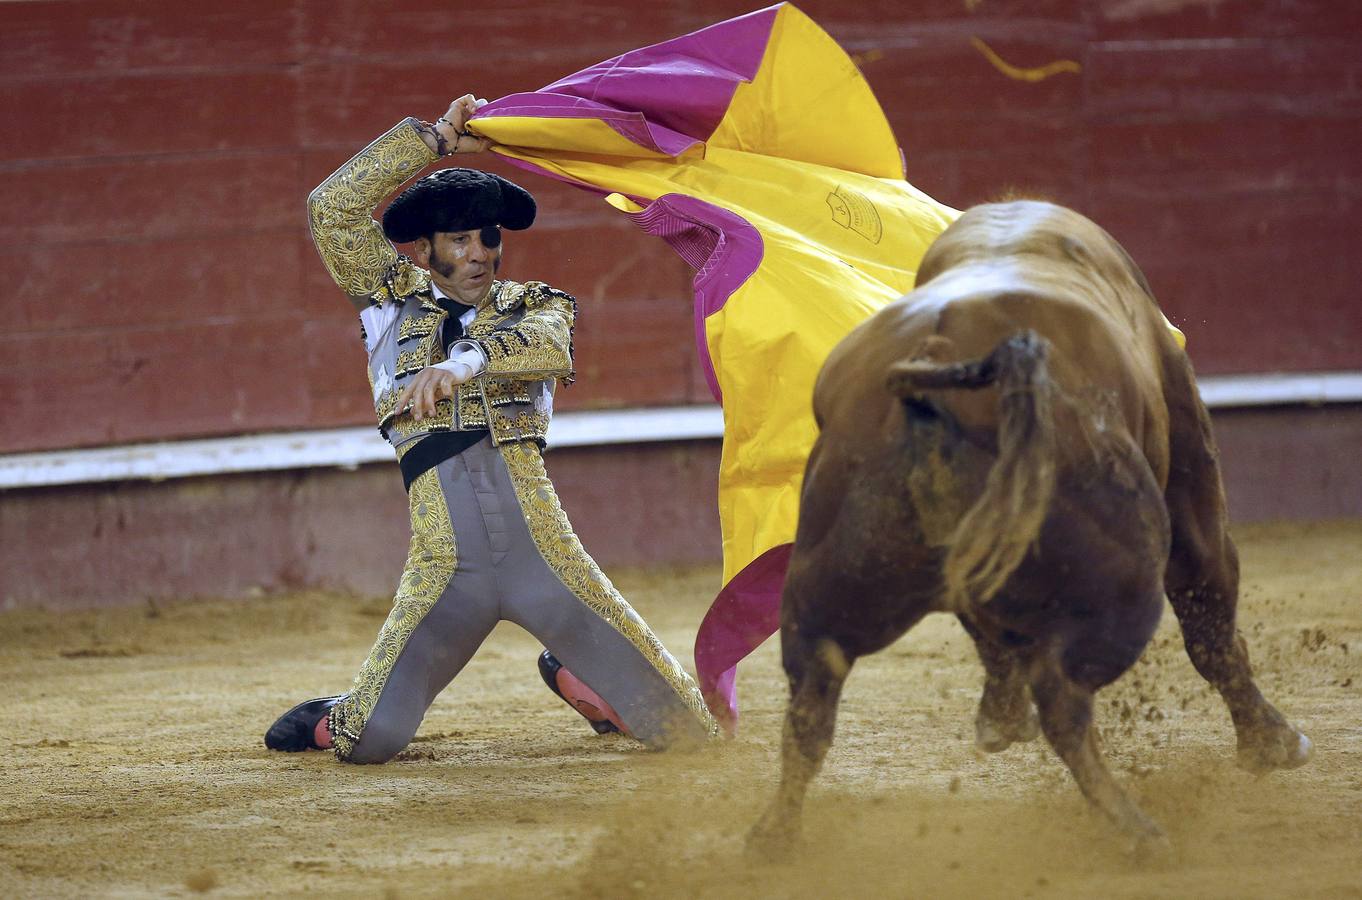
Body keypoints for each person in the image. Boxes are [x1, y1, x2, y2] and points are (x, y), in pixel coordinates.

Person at [264, 94, 718, 763]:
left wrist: (463, 364)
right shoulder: (388, 303)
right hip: (445, 567)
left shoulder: (538, 304)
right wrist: (435, 141)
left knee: (693, 736)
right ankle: (343, 712)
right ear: (423, 249)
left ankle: (580, 677)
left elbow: (546, 346)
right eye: (459, 239)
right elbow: (330, 211)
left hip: (545, 557)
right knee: (367, 745)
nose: (478, 253)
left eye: (488, 237)